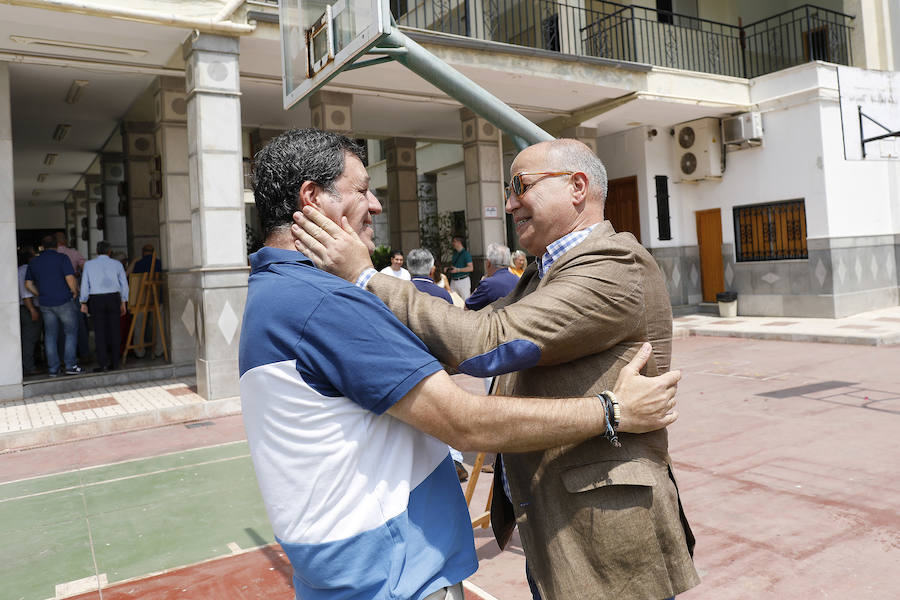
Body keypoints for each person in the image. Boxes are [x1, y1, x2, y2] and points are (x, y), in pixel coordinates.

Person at [243, 129, 681, 600]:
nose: (509, 205)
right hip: (527, 532)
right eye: (364, 189)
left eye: (521, 186)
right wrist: (611, 410)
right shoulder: (320, 302)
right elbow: (467, 369)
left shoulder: (613, 263)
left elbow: (484, 341)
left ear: (578, 187)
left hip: (604, 529)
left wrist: (365, 276)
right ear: (312, 198)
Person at [25, 234, 83, 376]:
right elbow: (70, 278)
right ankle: (70, 366)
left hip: (45, 303)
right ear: (57, 245)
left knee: (50, 336)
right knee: (70, 333)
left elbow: (28, 284)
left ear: (42, 247)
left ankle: (53, 369)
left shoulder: (34, 262)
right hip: (63, 300)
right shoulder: (62, 258)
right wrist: (74, 292)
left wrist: (39, 294)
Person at [80, 240, 129, 372]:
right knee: (115, 331)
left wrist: (83, 302)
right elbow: (124, 284)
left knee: (99, 332)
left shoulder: (89, 265)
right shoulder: (117, 264)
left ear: (97, 251)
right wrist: (124, 301)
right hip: (114, 298)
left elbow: (85, 285)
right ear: (109, 251)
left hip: (96, 300)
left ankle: (103, 364)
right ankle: (115, 363)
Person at [464, 243, 518, 311]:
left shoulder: (487, 284)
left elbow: (467, 307)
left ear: (488, 263)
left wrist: (478, 287)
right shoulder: (518, 279)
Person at [18, 247, 41, 376]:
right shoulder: (26, 270)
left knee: (28, 338)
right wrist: (32, 309)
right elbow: (26, 294)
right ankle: (30, 367)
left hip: (24, 308)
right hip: (28, 308)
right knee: (30, 338)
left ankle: (30, 364)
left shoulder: (19, 270)